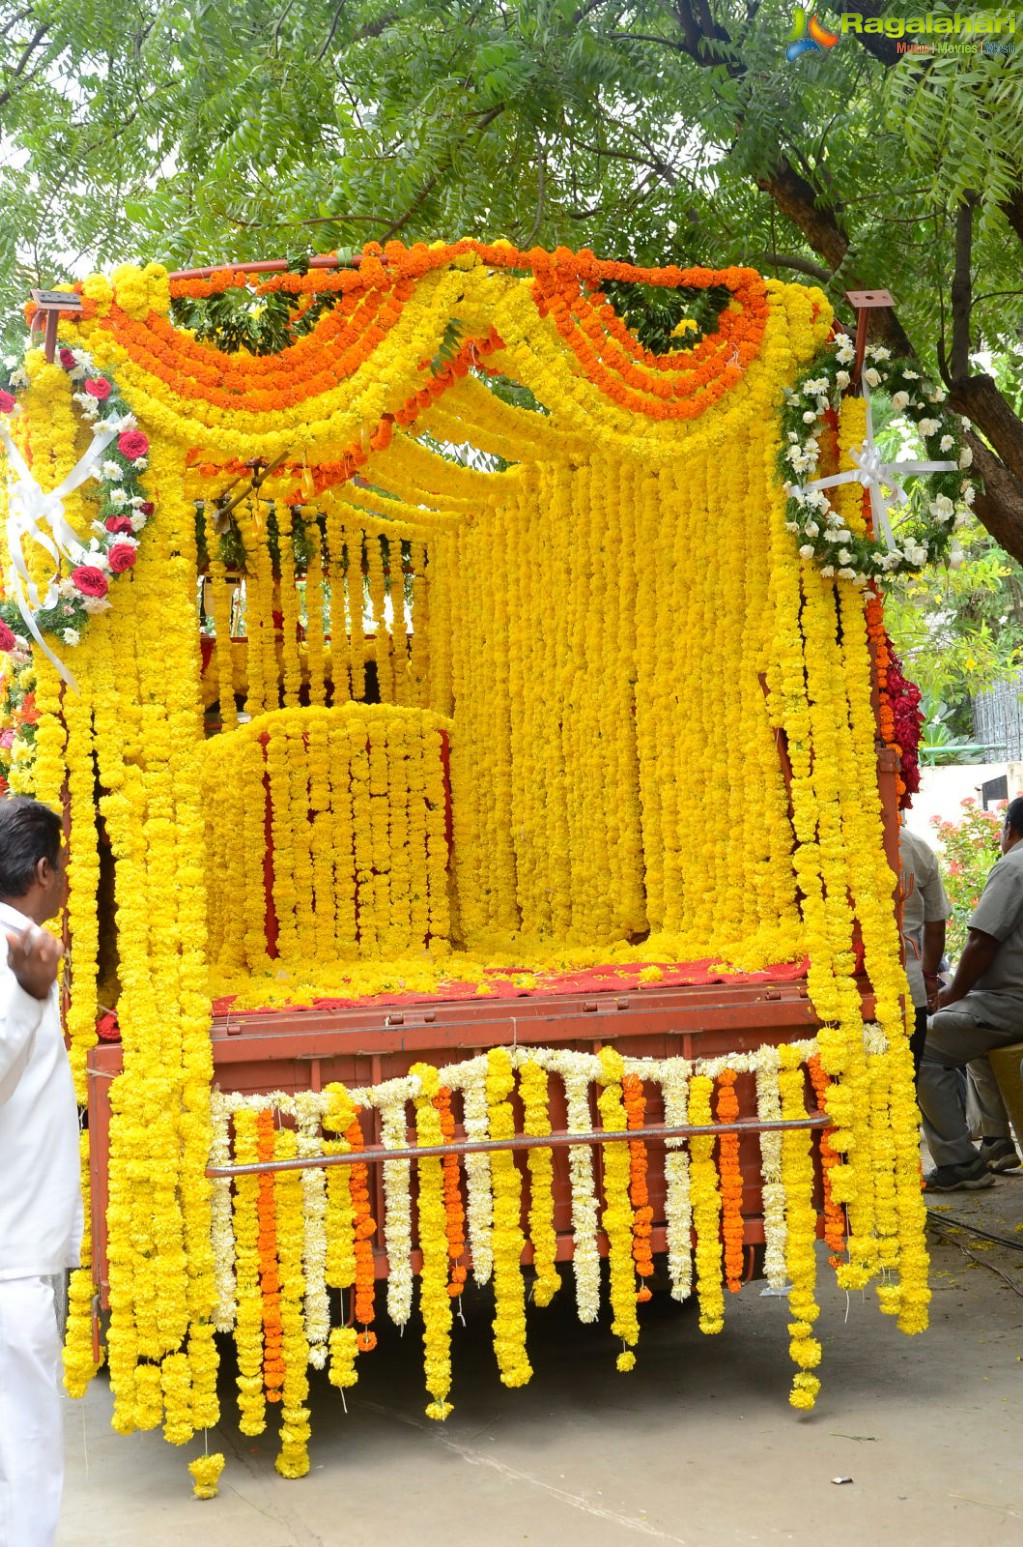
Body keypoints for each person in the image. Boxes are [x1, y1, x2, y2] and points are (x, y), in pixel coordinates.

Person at [0, 797, 79, 1547]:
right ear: (43, 869)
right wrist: (27, 996)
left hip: (20, 1246)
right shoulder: (14, 954)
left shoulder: (23, 943)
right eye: (65, 867)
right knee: (24, 1450)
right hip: (10, 1255)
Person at [918, 794, 1023, 1191]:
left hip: (1010, 1004)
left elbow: (981, 941)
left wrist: (953, 992)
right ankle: (996, 1142)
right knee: (968, 1030)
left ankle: (960, 1163)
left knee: (923, 1046)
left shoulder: (1014, 864)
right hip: (1002, 1003)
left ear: (1008, 830)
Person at [898, 821, 951, 1078]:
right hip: (909, 988)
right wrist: (930, 977)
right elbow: (936, 926)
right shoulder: (915, 847)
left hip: (838, 990)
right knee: (906, 1089)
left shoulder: (825, 839)